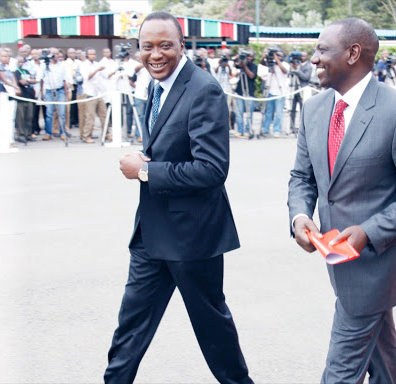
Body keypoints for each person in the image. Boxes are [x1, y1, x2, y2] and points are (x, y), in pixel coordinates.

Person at [287, 18, 396, 383]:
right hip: (336, 257)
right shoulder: (313, 110)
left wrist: (370, 232)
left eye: (323, 49)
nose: (314, 58)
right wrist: (299, 216)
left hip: (377, 262)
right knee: (383, 358)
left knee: (340, 373)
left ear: (353, 53)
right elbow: (302, 178)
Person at [105, 11, 254, 384]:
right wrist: (148, 160)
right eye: (147, 46)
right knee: (130, 330)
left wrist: (144, 170)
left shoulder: (204, 89)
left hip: (192, 238)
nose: (155, 54)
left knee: (213, 333)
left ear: (182, 45)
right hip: (151, 235)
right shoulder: (155, 86)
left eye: (165, 46)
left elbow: (212, 169)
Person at [38, 48, 69, 140]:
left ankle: (62, 132)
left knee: (61, 113)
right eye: (53, 54)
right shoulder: (44, 66)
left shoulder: (62, 66)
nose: (55, 55)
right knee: (49, 113)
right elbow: (41, 79)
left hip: (60, 91)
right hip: (48, 91)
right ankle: (48, 133)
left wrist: (66, 94)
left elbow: (64, 80)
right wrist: (42, 92)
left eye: (57, 53)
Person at [80, 48, 107, 143]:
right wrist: (97, 70)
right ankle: (86, 136)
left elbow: (103, 77)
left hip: (99, 93)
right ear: (87, 55)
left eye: (94, 54)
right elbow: (87, 77)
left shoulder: (97, 64)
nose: (93, 56)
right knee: (90, 116)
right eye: (91, 54)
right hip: (90, 93)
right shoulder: (84, 65)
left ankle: (106, 134)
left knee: (104, 115)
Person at [260, 50, 289, 137]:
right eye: (276, 55)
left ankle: (277, 130)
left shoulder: (285, 64)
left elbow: (285, 71)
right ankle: (265, 129)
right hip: (270, 91)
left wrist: (277, 60)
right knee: (268, 112)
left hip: (280, 92)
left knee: (279, 113)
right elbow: (262, 64)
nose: (277, 57)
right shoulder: (270, 63)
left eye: (279, 55)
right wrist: (264, 57)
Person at [233, 49, 257, 138]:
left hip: (249, 92)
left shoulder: (254, 66)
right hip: (240, 92)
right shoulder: (241, 64)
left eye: (251, 56)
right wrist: (237, 58)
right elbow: (235, 65)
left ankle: (248, 130)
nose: (249, 58)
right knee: (239, 113)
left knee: (249, 112)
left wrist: (245, 66)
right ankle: (240, 130)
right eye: (248, 56)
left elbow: (251, 76)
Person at [288, 51, 312, 134]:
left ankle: (302, 127)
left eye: (304, 56)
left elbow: (306, 77)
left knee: (303, 109)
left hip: (302, 89)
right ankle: (292, 127)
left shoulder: (309, 66)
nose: (302, 57)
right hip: (294, 89)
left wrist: (297, 70)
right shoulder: (296, 63)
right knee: (292, 109)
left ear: (307, 57)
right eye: (301, 56)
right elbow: (290, 74)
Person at [14, 56, 35, 143]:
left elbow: (34, 80)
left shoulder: (26, 71)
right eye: (19, 62)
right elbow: (21, 82)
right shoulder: (15, 72)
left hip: (29, 97)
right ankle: (20, 135)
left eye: (22, 62)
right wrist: (28, 80)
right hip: (20, 98)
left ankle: (27, 134)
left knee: (29, 117)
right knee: (20, 118)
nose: (20, 63)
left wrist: (28, 81)